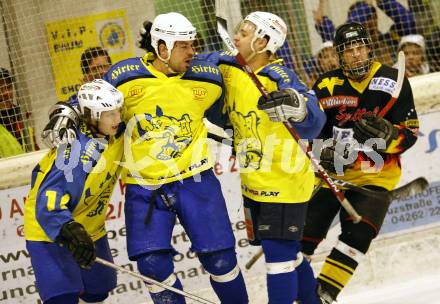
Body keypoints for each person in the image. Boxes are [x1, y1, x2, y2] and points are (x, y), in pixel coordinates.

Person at [41, 12, 249, 304]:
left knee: (220, 259)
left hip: (196, 180)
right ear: (162, 48)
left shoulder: (208, 77)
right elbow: (94, 100)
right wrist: (67, 113)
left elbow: (228, 118)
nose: (192, 51)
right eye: (183, 46)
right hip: (145, 186)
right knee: (152, 265)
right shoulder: (125, 76)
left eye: (193, 44)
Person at [202, 11, 327, 304]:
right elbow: (198, 66)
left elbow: (314, 119)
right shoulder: (230, 68)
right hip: (253, 182)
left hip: (284, 182)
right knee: (290, 253)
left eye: (244, 33)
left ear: (264, 41)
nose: (236, 37)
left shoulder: (277, 77)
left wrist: (298, 108)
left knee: (278, 255)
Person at [301, 22, 419, 303]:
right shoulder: (326, 85)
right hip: (332, 177)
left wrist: (390, 135)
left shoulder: (393, 80)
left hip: (375, 179)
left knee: (358, 235)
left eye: (360, 48)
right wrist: (323, 152)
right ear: (339, 55)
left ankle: (323, 296)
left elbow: (410, 133)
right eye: (348, 51)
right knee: (299, 243)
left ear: (369, 48)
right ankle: (301, 294)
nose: (356, 55)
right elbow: (314, 133)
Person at [24, 79, 124, 304]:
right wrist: (68, 230)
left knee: (99, 288)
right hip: (50, 227)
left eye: (118, 111)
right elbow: (48, 203)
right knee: (62, 297)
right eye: (109, 114)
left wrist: (66, 108)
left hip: (89, 227)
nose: (117, 119)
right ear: (92, 115)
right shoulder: (74, 152)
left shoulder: (115, 132)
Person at [42, 47, 113, 148]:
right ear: (86, 75)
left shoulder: (122, 92)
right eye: (95, 69)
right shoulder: (74, 102)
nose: (101, 72)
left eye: (105, 66)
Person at [313, 0, 416, 66]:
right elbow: (333, 37)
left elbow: (408, 22)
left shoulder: (390, 39)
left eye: (372, 16)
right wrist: (365, 7)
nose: (370, 22)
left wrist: (383, 1)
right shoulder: (348, 49)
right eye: (364, 19)